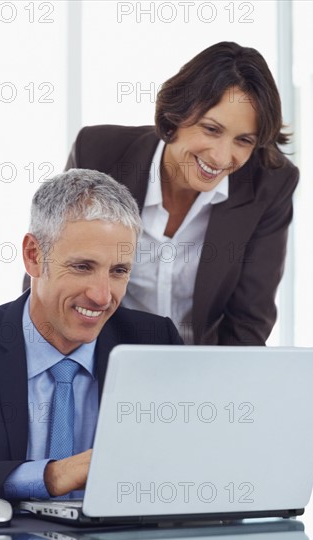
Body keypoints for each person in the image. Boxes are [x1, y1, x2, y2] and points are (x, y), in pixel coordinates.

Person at [0, 169, 182, 516]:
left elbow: (192, 467)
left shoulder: (155, 344)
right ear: (33, 256)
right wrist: (50, 476)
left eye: (118, 271)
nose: (102, 296)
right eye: (83, 266)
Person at [61, 42, 300, 345]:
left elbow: (248, 321)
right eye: (211, 129)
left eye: (243, 140)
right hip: (95, 360)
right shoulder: (98, 154)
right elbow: (52, 278)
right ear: (176, 115)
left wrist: (222, 391)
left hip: (200, 373)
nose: (221, 157)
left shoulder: (270, 185)